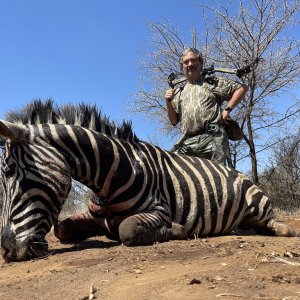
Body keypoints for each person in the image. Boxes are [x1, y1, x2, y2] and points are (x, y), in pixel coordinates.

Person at [165, 48, 248, 165]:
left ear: (200, 63)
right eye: (186, 62)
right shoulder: (179, 92)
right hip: (188, 141)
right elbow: (174, 121)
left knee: (216, 177)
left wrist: (227, 111)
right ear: (182, 66)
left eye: (193, 60)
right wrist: (168, 101)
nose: (190, 64)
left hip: (213, 137)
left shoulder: (211, 82)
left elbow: (242, 88)